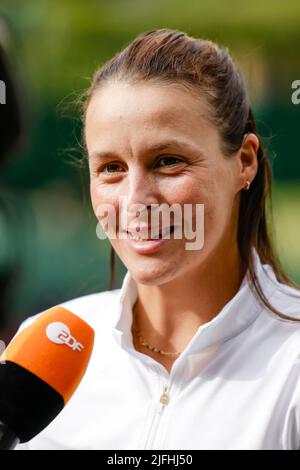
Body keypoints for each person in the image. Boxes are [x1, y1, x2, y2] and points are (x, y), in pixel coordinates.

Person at [14, 29, 300, 450]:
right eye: (111, 168)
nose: (135, 201)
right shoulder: (40, 346)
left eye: (167, 161)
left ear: (245, 162)